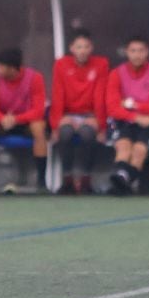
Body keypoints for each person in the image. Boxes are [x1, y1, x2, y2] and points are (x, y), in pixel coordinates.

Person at [0, 48, 48, 194]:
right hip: (3, 121)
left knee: (39, 129)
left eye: (0, 66)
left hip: (26, 121)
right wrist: (2, 118)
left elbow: (38, 110)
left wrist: (17, 119)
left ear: (11, 68)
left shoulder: (35, 78)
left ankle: (42, 182)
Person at [50, 29, 109, 194]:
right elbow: (57, 94)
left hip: (90, 115)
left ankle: (85, 180)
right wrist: (57, 124)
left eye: (86, 47)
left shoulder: (101, 64)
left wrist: (100, 125)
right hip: (68, 114)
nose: (82, 50)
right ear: (71, 48)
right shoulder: (61, 65)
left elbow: (100, 95)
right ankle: (67, 179)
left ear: (91, 48)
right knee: (65, 133)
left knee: (87, 133)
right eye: (79, 47)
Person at [106, 35, 149, 195]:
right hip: (125, 121)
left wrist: (133, 104)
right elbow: (113, 107)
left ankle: (123, 179)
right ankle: (123, 180)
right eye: (133, 51)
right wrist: (136, 116)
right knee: (123, 148)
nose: (137, 55)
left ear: (147, 52)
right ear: (127, 52)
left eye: (141, 51)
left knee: (139, 150)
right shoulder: (117, 74)